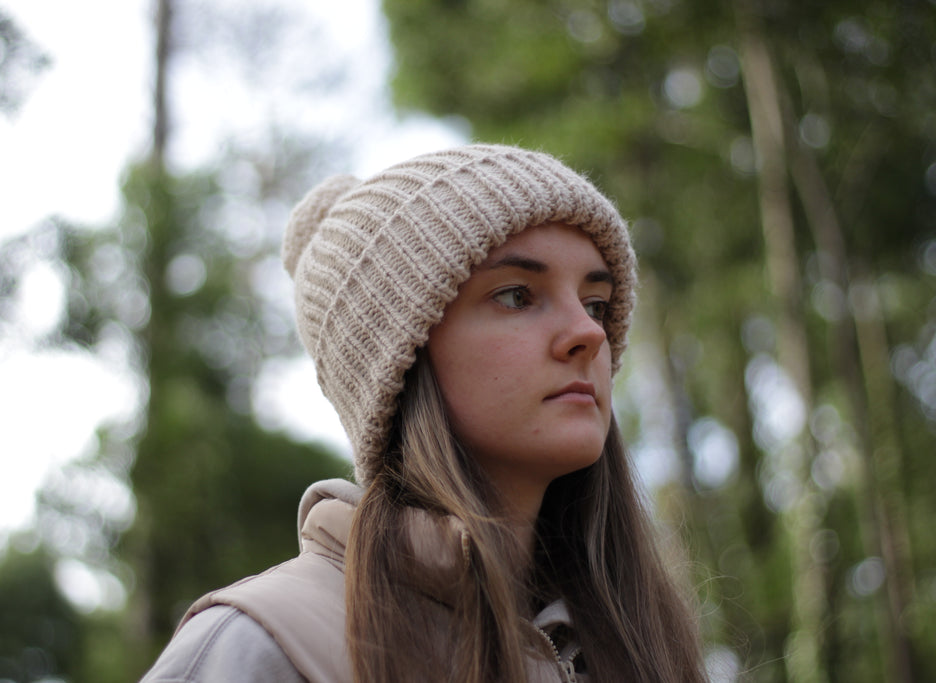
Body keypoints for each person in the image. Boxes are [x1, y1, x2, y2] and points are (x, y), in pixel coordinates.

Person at [140, 145, 707, 682]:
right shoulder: (259, 647)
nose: (588, 333)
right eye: (516, 295)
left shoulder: (637, 644)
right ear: (401, 356)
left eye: (595, 303)